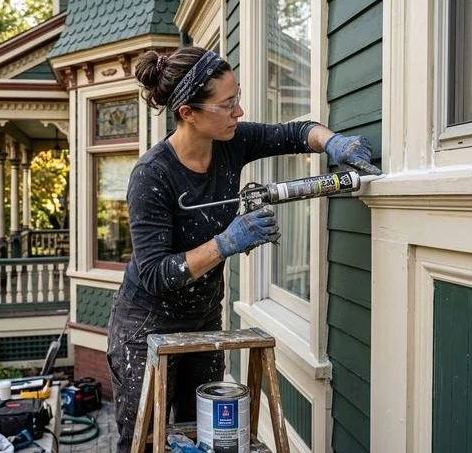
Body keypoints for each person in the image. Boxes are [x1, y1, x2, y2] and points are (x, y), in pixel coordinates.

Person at [106, 46, 380, 452]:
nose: (239, 111)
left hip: (202, 319)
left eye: (237, 97)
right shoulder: (153, 175)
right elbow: (154, 274)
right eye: (228, 103)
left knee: (206, 433)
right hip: (146, 326)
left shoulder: (231, 141)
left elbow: (295, 132)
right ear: (188, 113)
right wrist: (225, 242)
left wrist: (333, 142)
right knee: (147, 443)